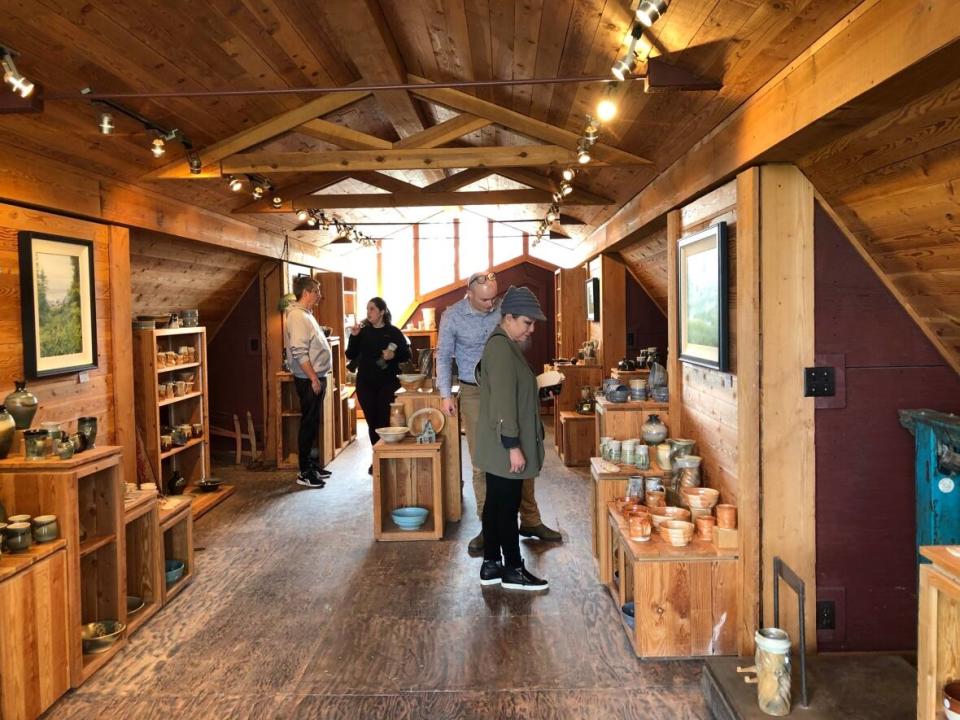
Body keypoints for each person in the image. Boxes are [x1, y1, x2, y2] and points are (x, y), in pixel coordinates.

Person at [437, 271, 561, 553]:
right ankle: (487, 527)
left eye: (494, 297)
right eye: (484, 299)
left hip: (507, 385)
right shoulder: (452, 316)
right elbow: (443, 356)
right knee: (484, 460)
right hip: (474, 391)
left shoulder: (503, 311)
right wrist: (446, 394)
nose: (491, 304)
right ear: (469, 293)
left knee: (522, 450)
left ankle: (530, 520)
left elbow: (519, 345)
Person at [474, 286, 550, 591]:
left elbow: (512, 393)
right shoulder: (502, 348)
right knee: (507, 507)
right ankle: (513, 570)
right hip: (505, 444)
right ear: (508, 318)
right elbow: (504, 403)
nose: (530, 330)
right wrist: (513, 447)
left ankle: (491, 563)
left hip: (498, 443)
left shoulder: (503, 344)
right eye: (526, 323)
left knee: (495, 504)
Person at [346, 297, 411, 471]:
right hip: (365, 383)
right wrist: (353, 336)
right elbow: (350, 354)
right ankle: (377, 457)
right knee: (372, 422)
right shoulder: (363, 332)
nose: (369, 312)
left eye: (372, 309)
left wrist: (393, 356)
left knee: (384, 421)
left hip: (388, 383)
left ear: (382, 311)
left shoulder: (394, 332)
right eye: (367, 309)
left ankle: (386, 458)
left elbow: (406, 354)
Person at [284, 275, 332, 488]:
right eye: (316, 292)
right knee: (308, 424)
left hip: (316, 377)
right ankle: (304, 471)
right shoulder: (297, 316)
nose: (319, 296)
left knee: (312, 424)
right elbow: (299, 350)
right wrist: (313, 377)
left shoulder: (306, 315)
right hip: (308, 379)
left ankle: (311, 465)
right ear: (306, 293)